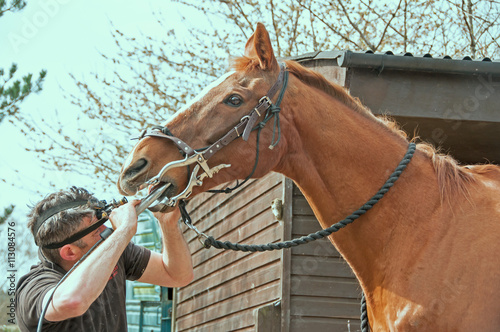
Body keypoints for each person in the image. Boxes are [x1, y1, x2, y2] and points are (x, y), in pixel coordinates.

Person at [15, 186, 194, 332]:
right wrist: (124, 231)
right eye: (97, 232)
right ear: (70, 252)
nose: (108, 233)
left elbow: (177, 275)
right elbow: (72, 301)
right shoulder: (33, 288)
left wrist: (167, 224)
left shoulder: (109, 250)